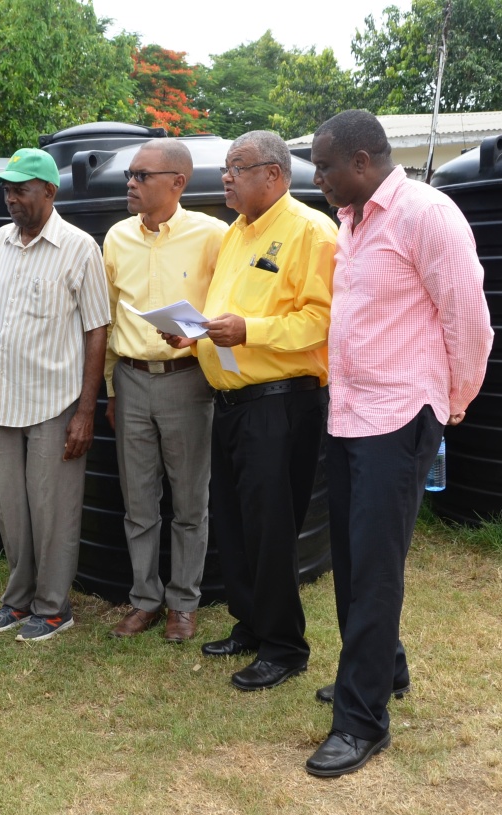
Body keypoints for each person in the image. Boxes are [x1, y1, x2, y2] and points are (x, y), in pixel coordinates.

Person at [305, 110, 493, 777]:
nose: (318, 177)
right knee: (353, 560)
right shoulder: (351, 223)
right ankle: (383, 668)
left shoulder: (426, 214)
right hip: (351, 413)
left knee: (377, 567)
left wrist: (454, 399)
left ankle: (362, 720)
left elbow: (469, 318)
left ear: (361, 161)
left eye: (324, 166)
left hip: (401, 414)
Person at [161, 130, 336, 689]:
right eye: (227, 168)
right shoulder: (237, 233)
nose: (226, 177)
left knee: (271, 528)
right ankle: (251, 625)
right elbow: (226, 313)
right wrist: (195, 336)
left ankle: (285, 647)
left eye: (238, 167)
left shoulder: (310, 231)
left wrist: (249, 331)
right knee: (234, 524)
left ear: (275, 174)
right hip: (233, 401)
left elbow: (322, 319)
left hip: (282, 406)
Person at [0, 148, 109, 642]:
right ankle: (18, 599)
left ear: (49, 192)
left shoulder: (79, 247)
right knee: (11, 508)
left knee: (52, 510)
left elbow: (98, 329)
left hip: (57, 401)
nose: (10, 199)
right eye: (6, 191)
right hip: (6, 401)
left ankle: (54, 607)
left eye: (20, 190)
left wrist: (86, 412)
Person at [102, 138, 226, 642]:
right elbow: (108, 317)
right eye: (129, 175)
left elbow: (228, 305)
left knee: (190, 502)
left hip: (187, 380)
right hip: (131, 381)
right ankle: (145, 599)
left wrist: (198, 337)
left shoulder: (213, 235)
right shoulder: (116, 238)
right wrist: (112, 387)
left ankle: (184, 603)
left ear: (178, 183)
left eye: (141, 176)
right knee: (138, 503)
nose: (130, 184)